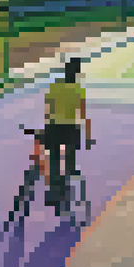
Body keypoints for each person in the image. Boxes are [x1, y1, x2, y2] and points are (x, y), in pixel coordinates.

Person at [39, 57, 94, 207]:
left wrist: (46, 130)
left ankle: (55, 190)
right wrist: (88, 138)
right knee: (69, 160)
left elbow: (48, 111)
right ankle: (65, 186)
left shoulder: (54, 87)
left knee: (54, 160)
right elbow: (82, 116)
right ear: (77, 73)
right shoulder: (78, 90)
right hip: (70, 129)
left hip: (53, 128)